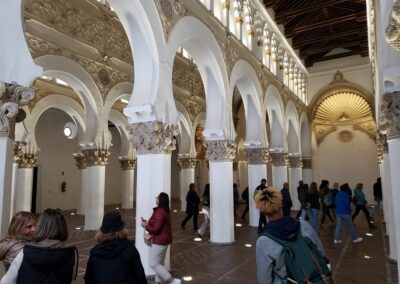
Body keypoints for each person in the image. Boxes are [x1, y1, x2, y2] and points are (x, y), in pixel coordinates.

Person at [255, 187, 328, 284]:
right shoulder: (303, 225)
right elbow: (321, 252)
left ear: (263, 212)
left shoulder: (263, 241)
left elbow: (264, 279)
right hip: (314, 279)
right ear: (281, 204)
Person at [1, 208, 78, 284]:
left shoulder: (27, 250)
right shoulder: (23, 251)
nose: (34, 229)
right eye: (29, 226)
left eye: (35, 225)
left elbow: (7, 281)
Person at [84, 211, 147, 284]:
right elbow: (139, 276)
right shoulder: (129, 249)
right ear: (121, 229)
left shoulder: (95, 252)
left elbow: (89, 278)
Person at [141, 192, 181, 284]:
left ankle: (172, 280)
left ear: (161, 200)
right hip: (164, 240)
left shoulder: (160, 212)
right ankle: (158, 282)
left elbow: (156, 229)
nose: (156, 199)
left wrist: (145, 226)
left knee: (153, 263)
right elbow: (157, 223)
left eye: (157, 198)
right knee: (159, 263)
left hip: (159, 240)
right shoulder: (164, 210)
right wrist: (147, 222)